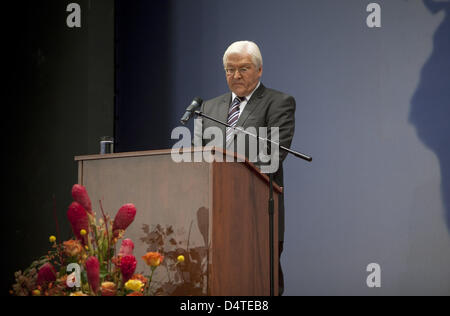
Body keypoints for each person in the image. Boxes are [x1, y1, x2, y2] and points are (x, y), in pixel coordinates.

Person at [194, 41, 296, 295]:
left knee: (259, 284)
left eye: (244, 68)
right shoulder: (209, 107)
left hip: (256, 213)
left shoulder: (278, 103)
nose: (236, 75)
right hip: (212, 215)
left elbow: (272, 156)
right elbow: (196, 159)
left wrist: (231, 180)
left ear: (259, 70)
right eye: (230, 69)